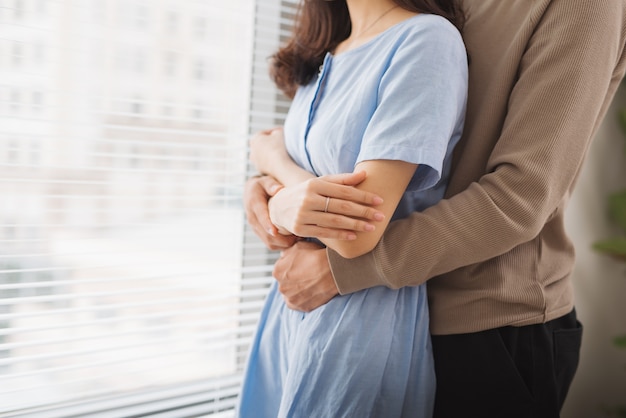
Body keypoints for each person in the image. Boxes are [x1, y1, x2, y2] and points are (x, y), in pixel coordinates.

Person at [244, 0, 626, 417]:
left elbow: (519, 197)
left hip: (487, 324)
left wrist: (344, 268)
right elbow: (347, 138)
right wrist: (268, 189)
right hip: (371, 311)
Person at [236, 0, 468, 417]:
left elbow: (359, 231)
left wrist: (273, 162)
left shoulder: (426, 40)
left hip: (361, 320)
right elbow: (304, 186)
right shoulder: (328, 52)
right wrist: (263, 191)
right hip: (288, 306)